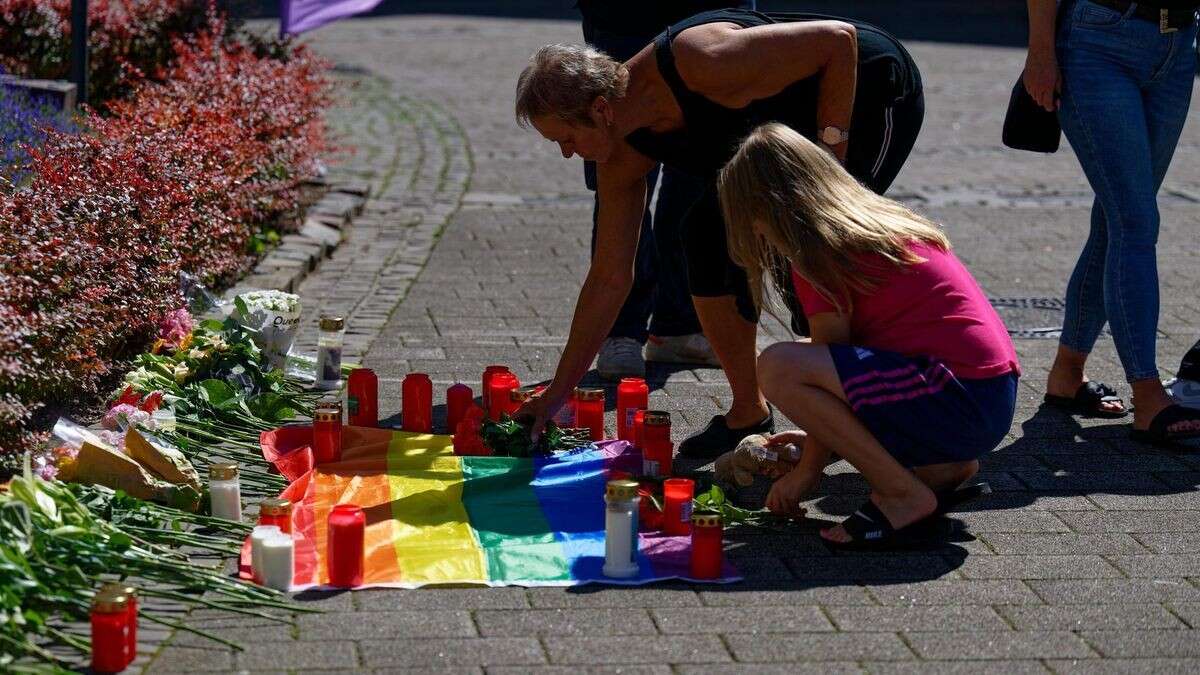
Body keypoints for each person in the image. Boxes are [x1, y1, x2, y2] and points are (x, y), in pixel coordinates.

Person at [513, 8, 925, 457]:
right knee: (705, 241)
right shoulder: (619, 153)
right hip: (775, 137)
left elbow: (838, 40)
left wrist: (831, 160)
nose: (567, 155)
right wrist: (556, 395)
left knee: (816, 255)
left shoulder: (700, 59)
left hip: (863, 92)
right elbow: (610, 276)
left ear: (600, 109)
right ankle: (748, 412)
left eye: (566, 139)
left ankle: (882, 421)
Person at [718, 123, 1020, 546]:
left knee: (780, 366)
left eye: (752, 221)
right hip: (988, 398)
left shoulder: (819, 250)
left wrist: (807, 473)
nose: (757, 234)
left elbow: (829, 359)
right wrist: (821, 438)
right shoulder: (877, 225)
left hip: (957, 398)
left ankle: (901, 495)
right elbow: (850, 365)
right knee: (807, 358)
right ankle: (941, 471)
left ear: (769, 209)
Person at [1023, 0, 1200, 443]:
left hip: (1178, 44)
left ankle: (1067, 375)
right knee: (1136, 223)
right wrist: (1041, 50)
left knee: (1116, 218)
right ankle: (1148, 394)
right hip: (1099, 38)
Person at [577, 1, 752, 379]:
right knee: (617, 169)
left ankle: (680, 325)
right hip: (625, 19)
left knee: (702, 175)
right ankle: (620, 331)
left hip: (715, 12)